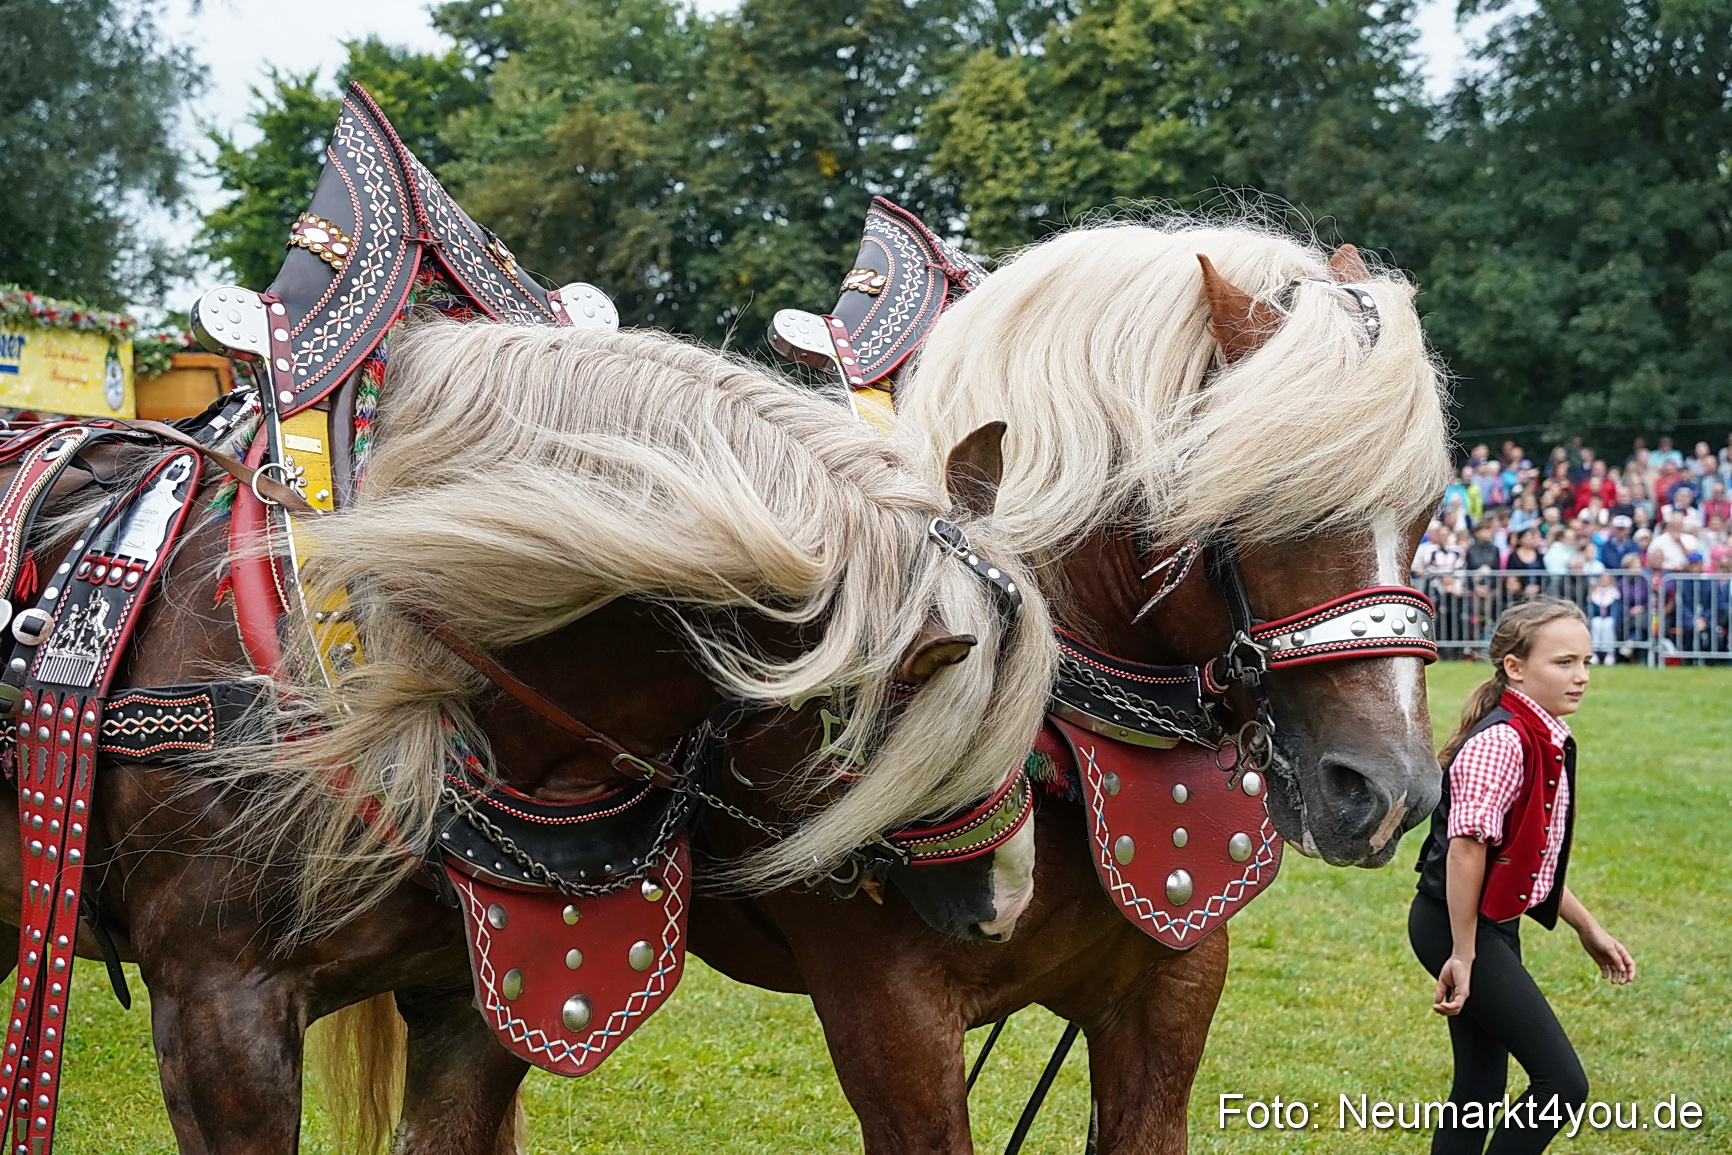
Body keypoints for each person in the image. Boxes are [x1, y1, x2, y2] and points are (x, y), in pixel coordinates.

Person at [1409, 598, 1635, 1155]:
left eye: (1587, 661)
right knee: (1562, 1084)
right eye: (1563, 663)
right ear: (1515, 667)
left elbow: (1529, 859)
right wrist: (1463, 954)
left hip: (1485, 926)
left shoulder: (1542, 735)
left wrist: (1587, 927)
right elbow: (1466, 854)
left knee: (1479, 1089)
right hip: (1456, 924)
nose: (1581, 677)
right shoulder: (1501, 742)